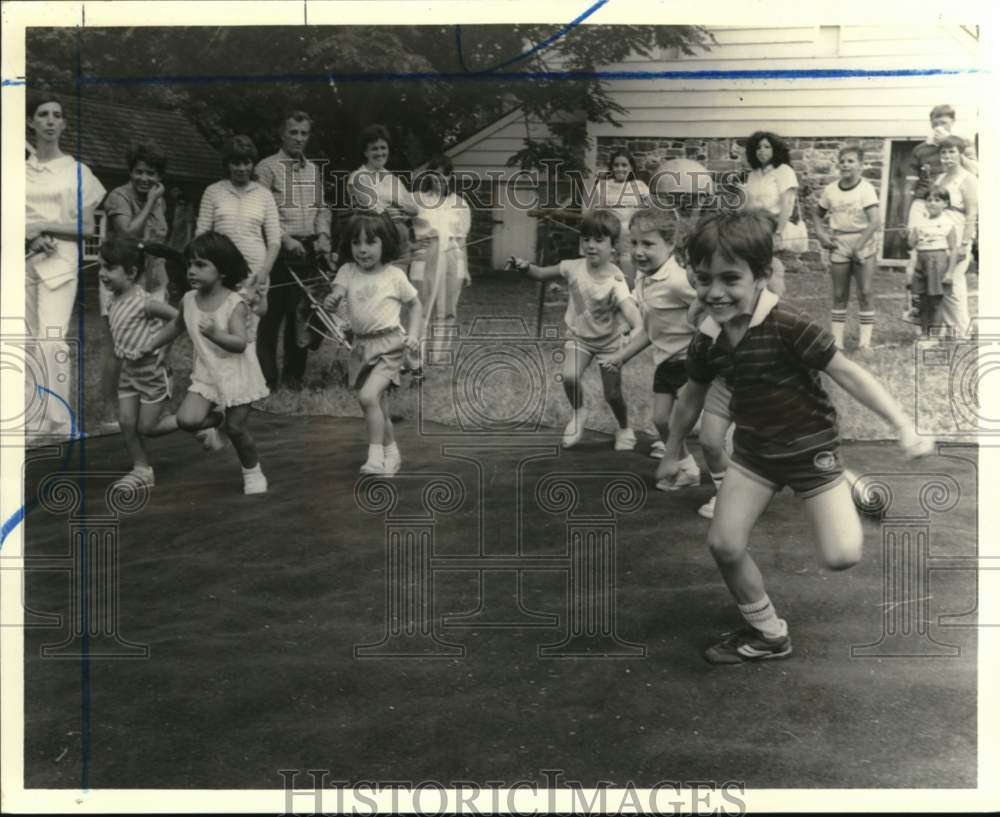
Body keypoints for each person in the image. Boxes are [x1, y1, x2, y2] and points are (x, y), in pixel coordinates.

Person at [657, 209, 933, 665]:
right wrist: (671, 452)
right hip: (755, 455)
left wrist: (903, 425)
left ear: (762, 275)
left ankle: (845, 482)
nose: (715, 292)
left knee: (842, 556)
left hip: (811, 451)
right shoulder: (707, 339)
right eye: (703, 279)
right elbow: (690, 398)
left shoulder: (788, 324)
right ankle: (768, 634)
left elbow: (850, 375)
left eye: (730, 278)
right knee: (723, 544)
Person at [144, 232, 270, 495]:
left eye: (201, 265)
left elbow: (240, 342)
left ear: (222, 271)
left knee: (237, 429)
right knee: (188, 421)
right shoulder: (189, 300)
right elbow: (176, 325)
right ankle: (217, 419)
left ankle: (253, 471)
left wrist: (216, 334)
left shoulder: (234, 303)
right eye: (190, 264)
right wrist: (150, 345)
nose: (191, 271)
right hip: (207, 374)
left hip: (237, 374)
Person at [511, 210, 643, 451]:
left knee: (612, 394)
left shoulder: (616, 278)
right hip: (579, 338)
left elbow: (629, 308)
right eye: (586, 239)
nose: (591, 245)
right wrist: (524, 267)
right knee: (570, 376)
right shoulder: (572, 267)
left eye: (599, 240)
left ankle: (624, 427)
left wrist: (636, 328)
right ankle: (580, 412)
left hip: (609, 343)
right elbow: (540, 274)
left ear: (613, 247)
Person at [25, 93, 106, 442]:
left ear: (64, 124)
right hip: (22, 259)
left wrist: (44, 230)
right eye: (42, 114)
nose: (50, 121)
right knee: (24, 340)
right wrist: (27, 237)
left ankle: (59, 423)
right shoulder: (17, 171)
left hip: (60, 260)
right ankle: (30, 423)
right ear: (31, 122)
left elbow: (88, 229)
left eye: (57, 115)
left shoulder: (78, 172)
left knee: (51, 339)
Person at [600, 207, 701, 487]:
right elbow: (649, 328)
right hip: (665, 362)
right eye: (634, 243)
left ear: (670, 245)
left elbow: (709, 306)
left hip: (689, 363)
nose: (638, 251)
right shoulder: (644, 278)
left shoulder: (678, 281)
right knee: (660, 421)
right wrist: (622, 356)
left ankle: (725, 466)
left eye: (648, 244)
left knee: (686, 424)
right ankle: (688, 468)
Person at [321, 211, 422, 475]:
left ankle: (375, 457)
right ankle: (393, 455)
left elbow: (415, 304)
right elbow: (337, 293)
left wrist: (413, 334)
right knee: (378, 407)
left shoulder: (395, 276)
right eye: (356, 243)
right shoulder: (347, 271)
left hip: (390, 345)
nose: (362, 250)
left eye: (370, 242)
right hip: (361, 347)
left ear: (385, 243)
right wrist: (332, 300)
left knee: (368, 397)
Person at [254, 111, 333, 390]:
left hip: (308, 251)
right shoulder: (266, 168)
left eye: (304, 133)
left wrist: (323, 234)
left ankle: (293, 378)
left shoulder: (313, 170)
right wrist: (285, 239)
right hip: (277, 252)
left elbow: (322, 208)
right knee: (270, 318)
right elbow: (261, 212)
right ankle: (265, 379)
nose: (299, 138)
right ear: (282, 134)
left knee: (302, 315)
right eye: (293, 132)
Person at [98, 236, 185, 489]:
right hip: (129, 372)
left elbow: (179, 318)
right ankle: (142, 469)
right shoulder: (113, 300)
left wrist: (164, 348)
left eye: (110, 268)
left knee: (149, 427)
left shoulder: (144, 301)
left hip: (152, 374)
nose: (103, 274)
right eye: (101, 267)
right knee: (126, 421)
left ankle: (197, 421)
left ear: (131, 272)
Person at [98, 142, 171, 433]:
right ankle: (108, 412)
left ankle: (148, 402)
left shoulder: (159, 199)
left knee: (152, 343)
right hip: (121, 280)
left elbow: (160, 236)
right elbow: (128, 234)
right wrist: (152, 201)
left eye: (150, 173)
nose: (144, 178)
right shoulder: (119, 196)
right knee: (116, 346)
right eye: (139, 172)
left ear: (158, 175)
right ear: (130, 172)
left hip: (154, 276)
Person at [196, 135, 280, 339]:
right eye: (236, 163)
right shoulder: (213, 191)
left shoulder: (264, 195)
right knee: (219, 329)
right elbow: (201, 236)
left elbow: (275, 241)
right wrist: (208, 268)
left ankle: (247, 371)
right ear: (227, 164)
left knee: (248, 333)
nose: (242, 168)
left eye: (246, 162)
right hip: (220, 272)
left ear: (252, 164)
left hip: (254, 272)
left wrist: (263, 273)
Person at [812, 145, 882, 351]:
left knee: (865, 291)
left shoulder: (866, 188)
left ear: (860, 165)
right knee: (840, 293)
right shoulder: (831, 189)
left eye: (850, 161)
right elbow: (816, 214)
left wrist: (859, 247)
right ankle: (837, 342)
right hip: (840, 242)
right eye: (842, 161)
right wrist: (822, 234)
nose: (845, 165)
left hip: (863, 241)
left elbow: (875, 221)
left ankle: (865, 343)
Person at [410, 155, 472, 337]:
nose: (439, 180)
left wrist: (465, 269)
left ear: (450, 177)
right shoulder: (416, 199)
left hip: (452, 255)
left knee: (448, 306)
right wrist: (411, 246)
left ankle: (440, 355)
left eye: (444, 175)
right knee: (420, 303)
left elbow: (462, 240)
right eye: (435, 175)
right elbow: (398, 224)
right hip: (425, 254)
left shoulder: (459, 204)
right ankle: (417, 349)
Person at [347, 125, 419, 271]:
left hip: (402, 244)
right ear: (365, 152)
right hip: (377, 244)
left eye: (383, 148)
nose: (380, 153)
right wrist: (399, 208)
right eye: (374, 148)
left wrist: (393, 202)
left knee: (399, 288)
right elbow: (376, 214)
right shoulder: (359, 178)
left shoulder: (392, 178)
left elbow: (414, 209)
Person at [740, 130, 797, 292]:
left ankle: (774, 303)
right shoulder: (753, 174)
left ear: (775, 150)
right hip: (752, 226)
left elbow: (787, 203)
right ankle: (759, 304)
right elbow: (749, 204)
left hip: (771, 225)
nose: (762, 151)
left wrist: (778, 232)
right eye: (758, 147)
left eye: (767, 147)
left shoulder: (783, 171)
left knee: (770, 267)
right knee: (754, 269)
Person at [933, 135, 978, 339]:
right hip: (938, 234)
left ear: (960, 154)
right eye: (943, 152)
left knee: (954, 281)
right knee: (941, 283)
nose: (947, 156)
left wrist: (964, 243)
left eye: (952, 152)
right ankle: (947, 330)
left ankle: (962, 332)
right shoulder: (940, 179)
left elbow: (971, 213)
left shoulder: (968, 179)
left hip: (958, 234)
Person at [584, 149, 651, 287]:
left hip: (630, 238)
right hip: (608, 237)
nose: (620, 168)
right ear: (612, 167)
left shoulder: (640, 186)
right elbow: (593, 213)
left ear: (631, 167)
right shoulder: (602, 186)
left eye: (624, 165)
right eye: (616, 165)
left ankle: (630, 302)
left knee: (629, 277)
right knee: (607, 278)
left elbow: (649, 212)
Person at [907, 187, 959, 339]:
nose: (932, 203)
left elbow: (954, 249)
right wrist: (908, 235)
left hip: (937, 261)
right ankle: (924, 333)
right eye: (929, 200)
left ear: (945, 203)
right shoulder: (920, 222)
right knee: (922, 299)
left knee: (936, 300)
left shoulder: (948, 223)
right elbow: (912, 244)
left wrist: (949, 272)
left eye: (937, 200)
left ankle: (934, 335)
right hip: (921, 261)